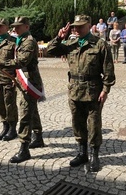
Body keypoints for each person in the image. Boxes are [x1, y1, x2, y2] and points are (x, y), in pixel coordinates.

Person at [47, 15, 116, 172]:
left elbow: (108, 71)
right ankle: (82, 152)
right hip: (75, 90)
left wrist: (105, 90)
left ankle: (94, 155)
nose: (76, 29)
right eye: (74, 26)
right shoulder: (70, 44)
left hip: (93, 91)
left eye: (80, 26)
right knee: (77, 123)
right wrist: (59, 36)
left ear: (89, 25)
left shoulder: (100, 44)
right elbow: (51, 50)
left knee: (93, 125)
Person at [0, 16, 45, 164]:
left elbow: (21, 61)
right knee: (32, 110)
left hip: (30, 82)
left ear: (27, 26)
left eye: (18, 26)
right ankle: (38, 137)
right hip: (24, 81)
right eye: (14, 26)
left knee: (25, 113)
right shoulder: (21, 40)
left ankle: (24, 149)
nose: (15, 29)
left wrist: (0, 63)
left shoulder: (29, 42)